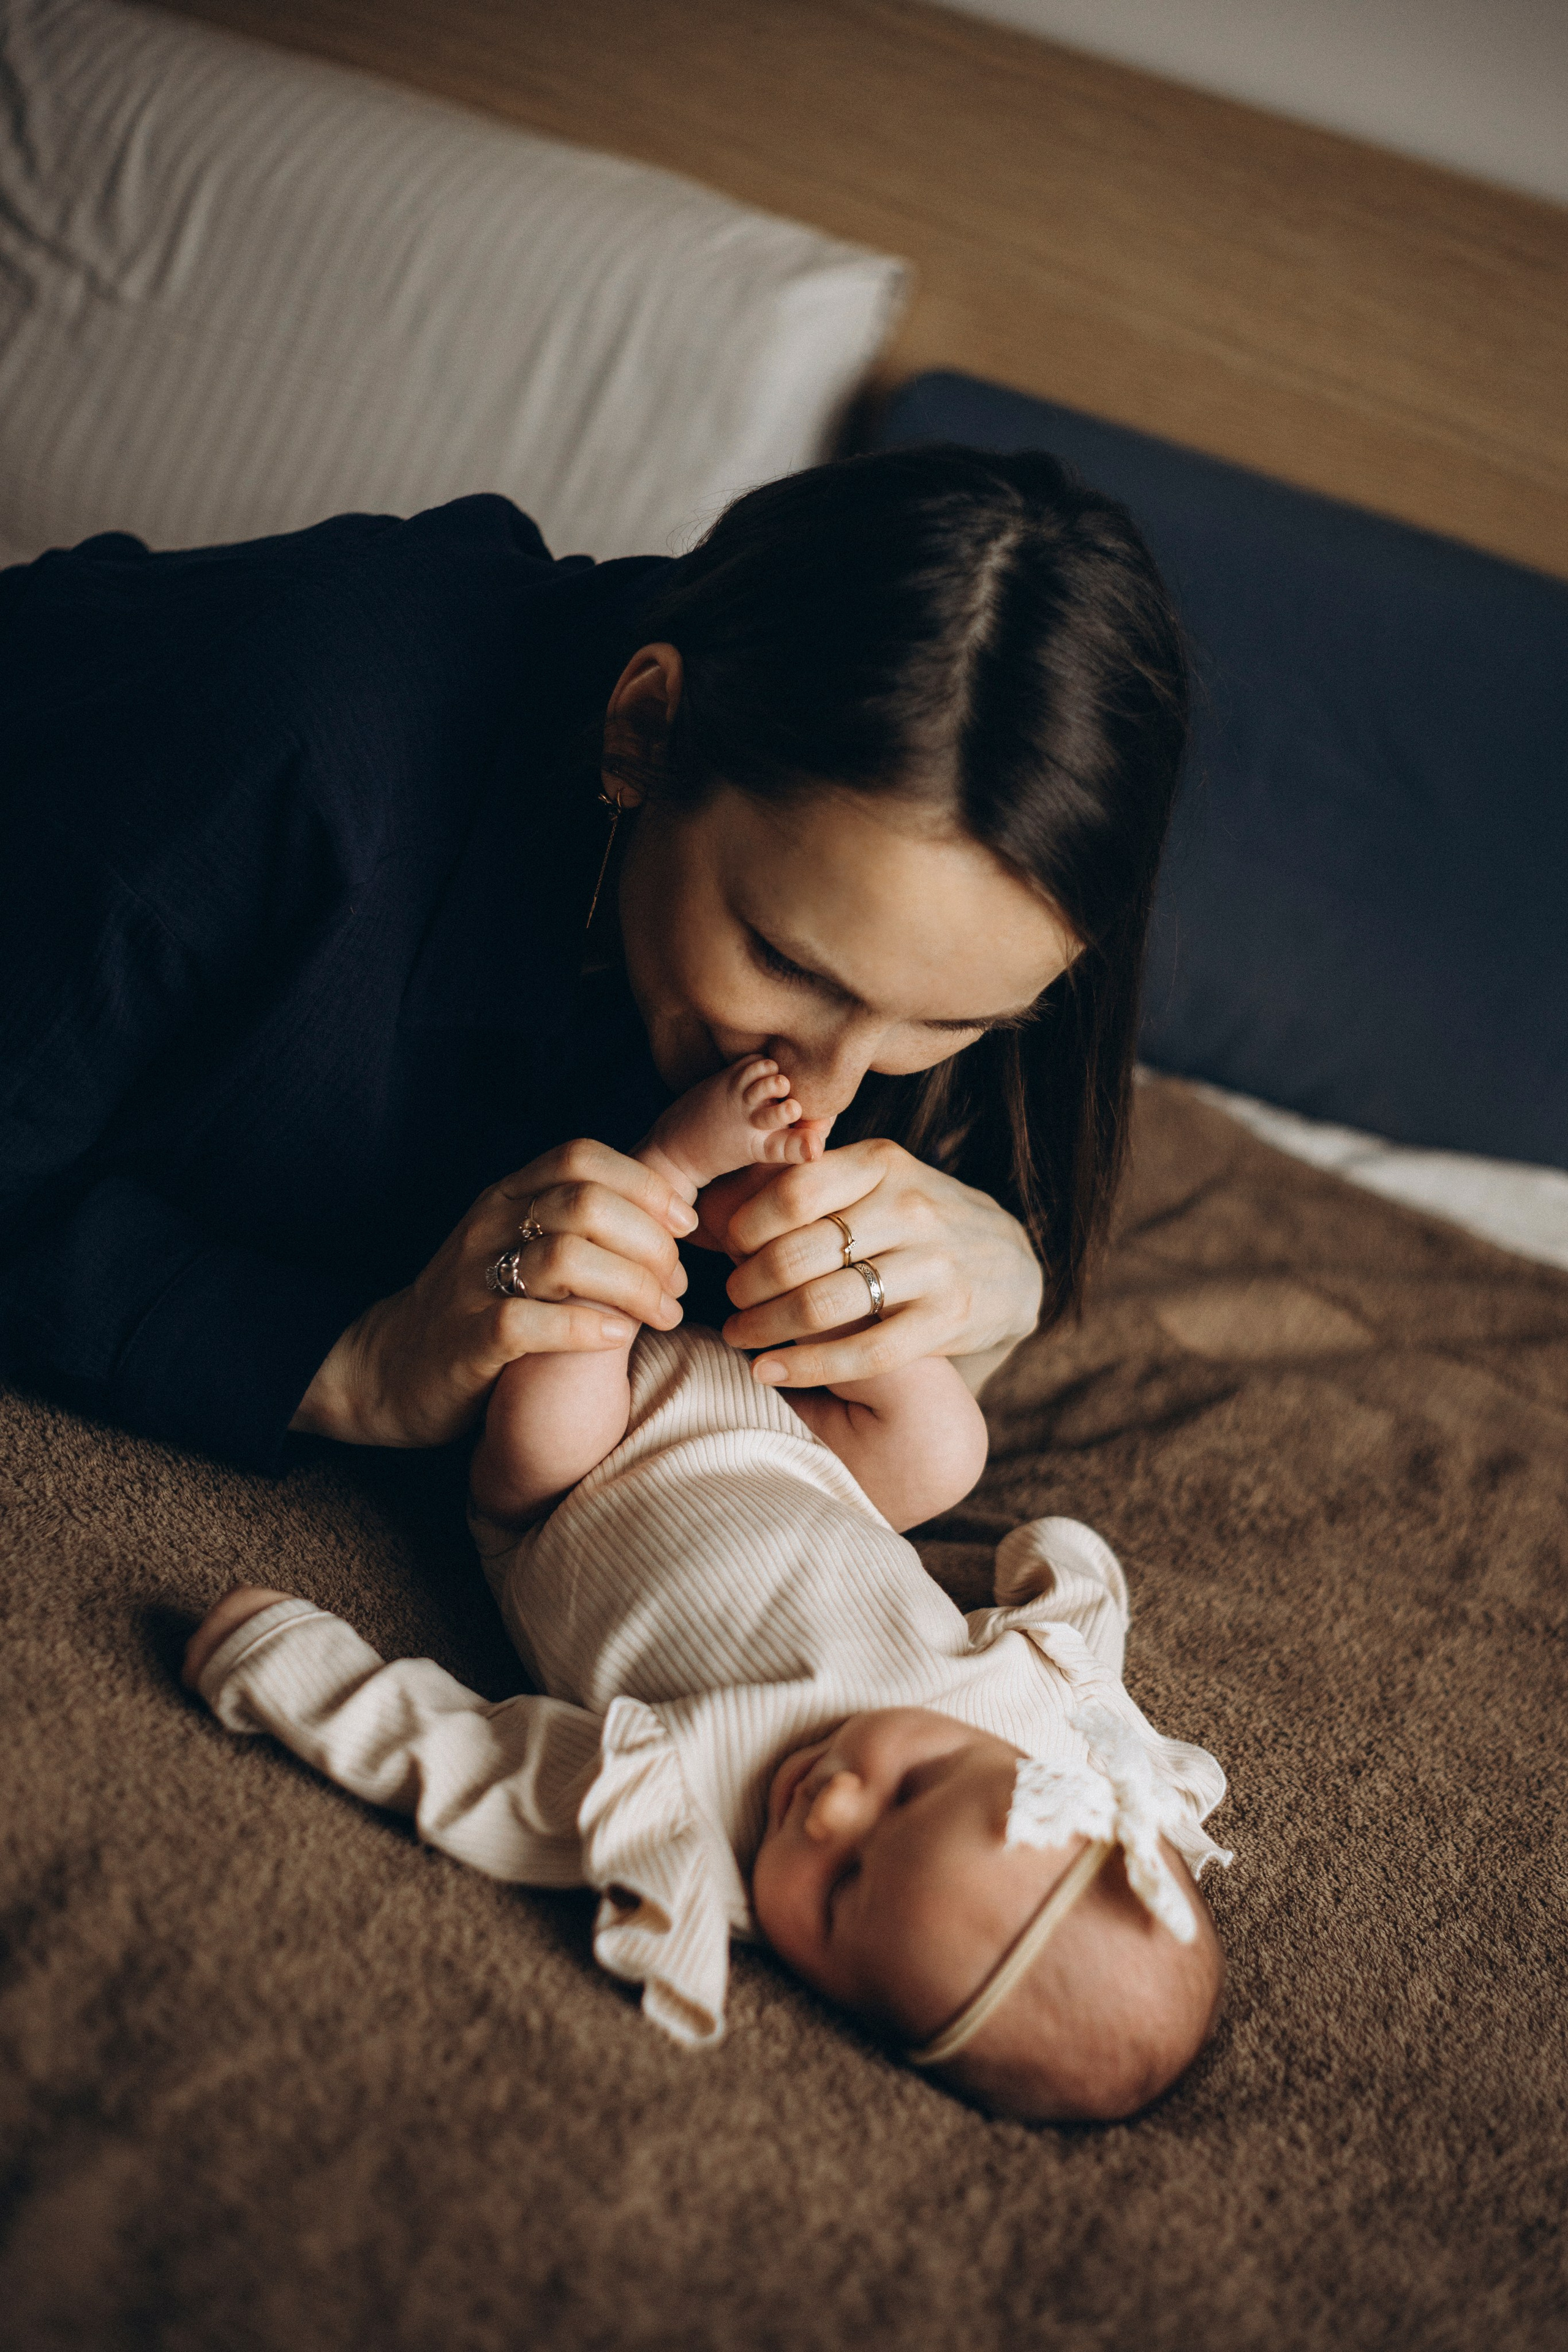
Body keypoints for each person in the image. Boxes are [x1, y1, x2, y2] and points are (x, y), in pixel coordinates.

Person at [0, 444, 1186, 1471]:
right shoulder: (290, 743)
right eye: (787, 964)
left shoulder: (989, 888)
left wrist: (1000, 1294)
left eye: (951, 1024)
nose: (826, 1096)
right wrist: (352, 1363)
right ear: (643, 733)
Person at [184, 1050, 1231, 2122]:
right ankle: (774, 1233)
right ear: (1043, 1774)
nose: (832, 1807)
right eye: (911, 1790)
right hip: (788, 1442)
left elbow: (474, 1770)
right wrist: (1061, 1568)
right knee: (946, 1447)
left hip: (574, 1489)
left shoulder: (685, 1823)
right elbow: (1080, 1606)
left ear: (847, 2001)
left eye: (841, 1891)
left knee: (564, 1381)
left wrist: (292, 1673)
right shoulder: (1047, 1735)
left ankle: (666, 1172)